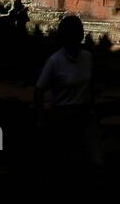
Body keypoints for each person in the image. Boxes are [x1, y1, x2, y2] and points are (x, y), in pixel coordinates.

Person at [34, 15, 102, 174]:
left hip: (84, 114)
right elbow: (39, 90)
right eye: (74, 35)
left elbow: (92, 85)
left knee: (90, 160)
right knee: (65, 161)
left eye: (79, 34)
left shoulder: (88, 57)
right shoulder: (55, 60)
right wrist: (40, 118)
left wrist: (93, 108)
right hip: (62, 115)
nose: (78, 38)